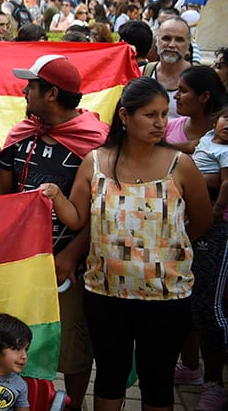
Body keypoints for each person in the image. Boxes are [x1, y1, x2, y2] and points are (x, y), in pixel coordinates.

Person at [45, 77, 212, 411]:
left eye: (165, 114)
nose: (161, 122)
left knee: (158, 380)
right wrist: (56, 196)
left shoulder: (181, 166)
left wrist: (166, 248)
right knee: (109, 375)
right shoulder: (95, 162)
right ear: (124, 116)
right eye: (151, 115)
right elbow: (78, 218)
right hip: (106, 294)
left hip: (166, 295)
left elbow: (203, 219)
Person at [0, 55, 109, 411]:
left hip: (70, 267)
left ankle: (73, 405)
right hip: (21, 261)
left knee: (74, 340)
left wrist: (71, 255)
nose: (24, 91)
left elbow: (102, 214)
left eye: (31, 86)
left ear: (52, 94)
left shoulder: (97, 146)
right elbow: (2, 196)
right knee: (16, 336)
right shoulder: (20, 135)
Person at [187, 103, 228, 411]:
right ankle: (192, 370)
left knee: (211, 306)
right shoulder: (205, 141)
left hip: (219, 228)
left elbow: (223, 183)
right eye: (226, 118)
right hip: (196, 228)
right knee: (192, 302)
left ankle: (217, 382)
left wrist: (214, 211)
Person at [165, 66, 228, 153]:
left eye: (183, 91)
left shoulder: (223, 133)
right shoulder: (168, 128)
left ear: (204, 96)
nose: (176, 96)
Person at [143, 17, 192, 118]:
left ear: (188, 46)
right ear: (157, 42)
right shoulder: (141, 73)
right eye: (166, 38)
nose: (172, 45)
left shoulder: (200, 80)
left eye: (179, 40)